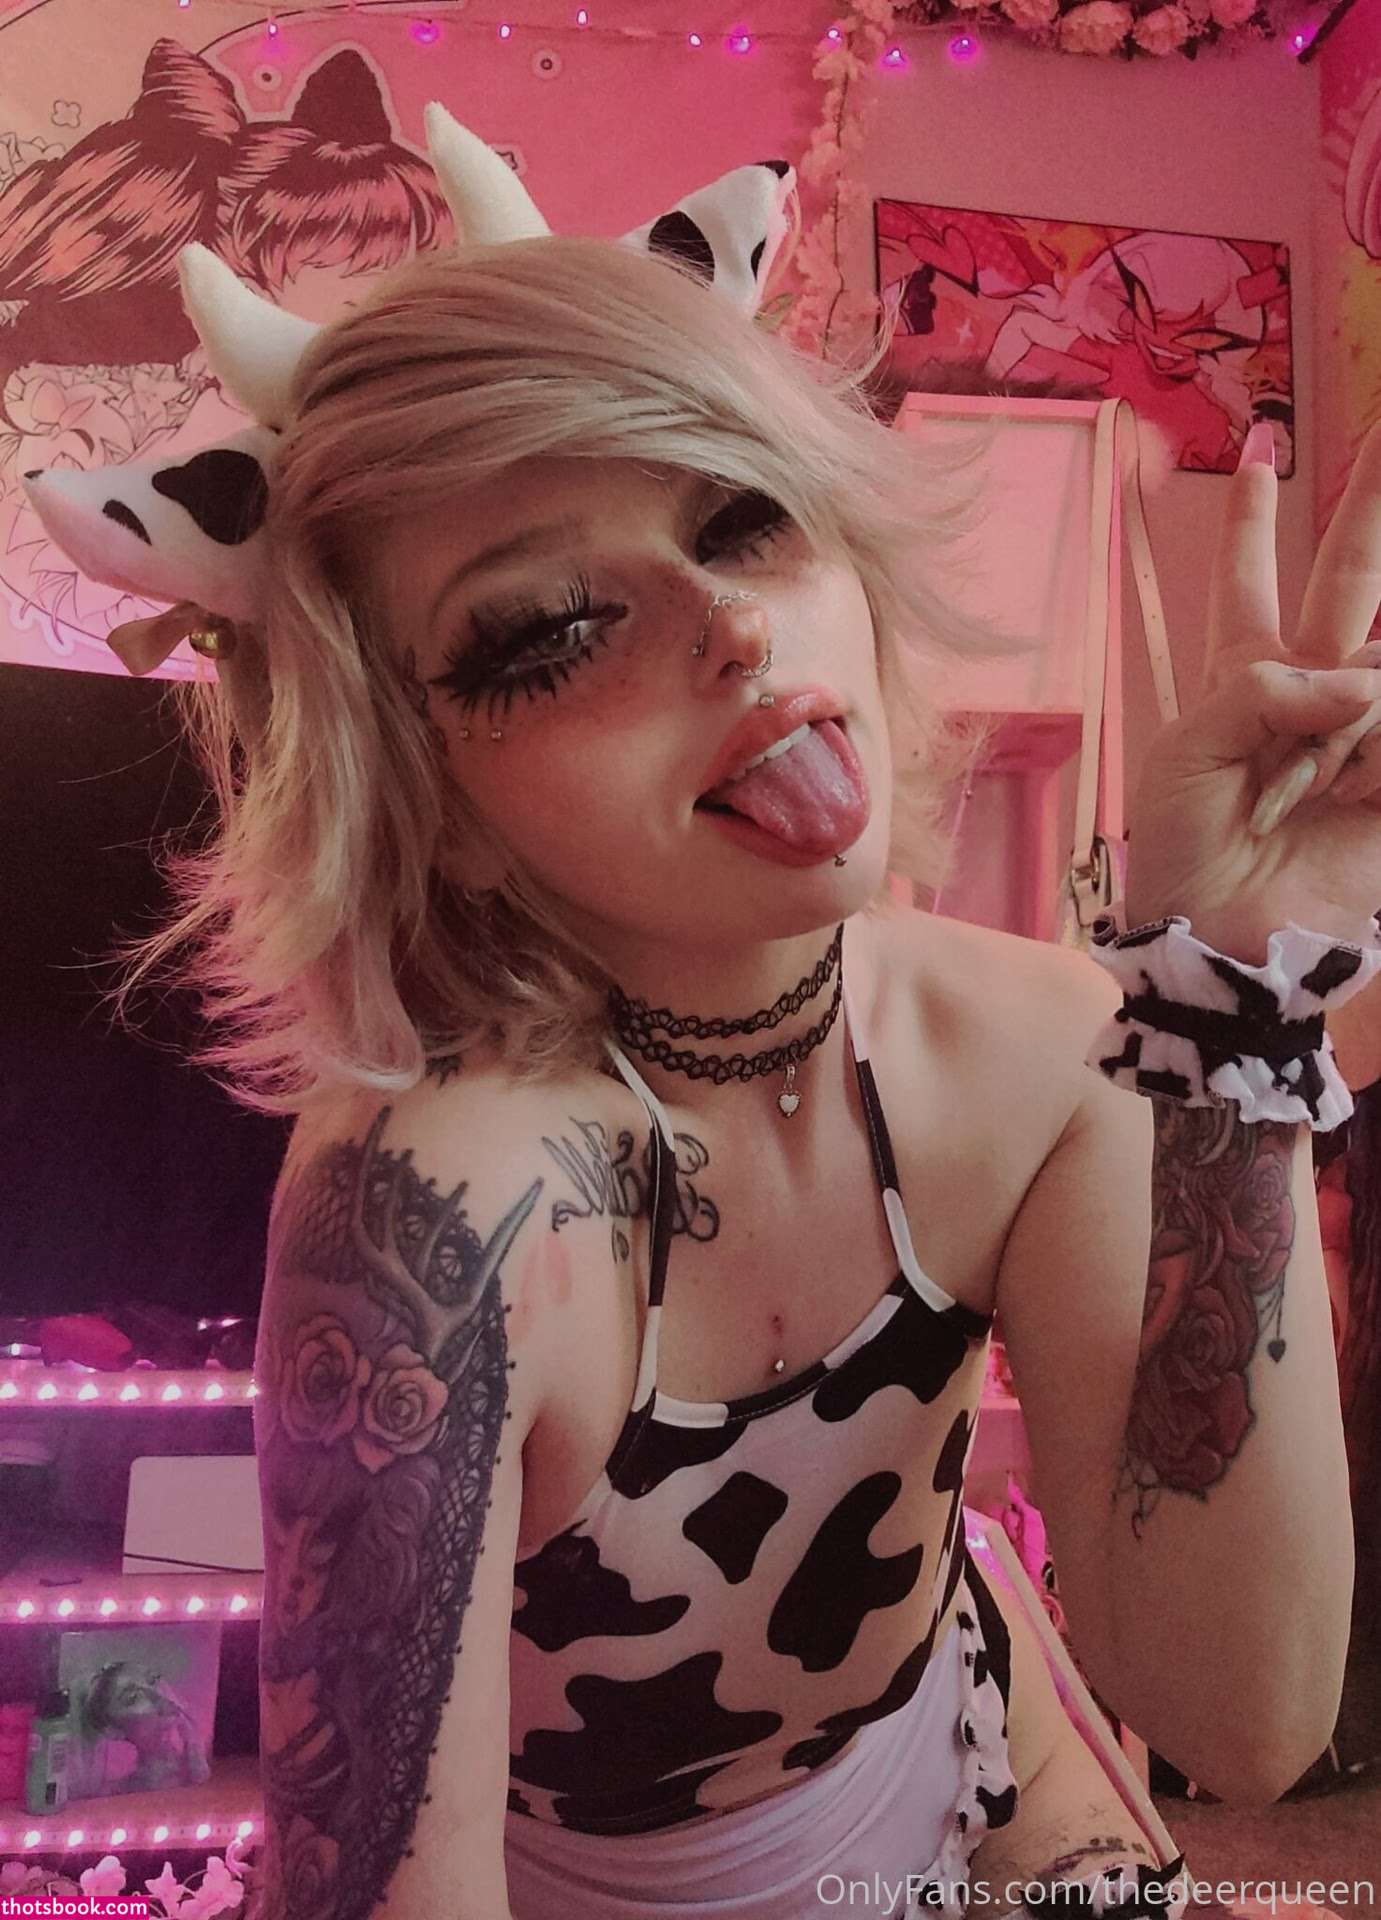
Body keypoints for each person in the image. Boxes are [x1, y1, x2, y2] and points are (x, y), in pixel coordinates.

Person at [24, 106, 1381, 1920]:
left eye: (743, 518)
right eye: (548, 630)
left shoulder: (1038, 1047)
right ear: (424, 798)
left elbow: (1242, 1715)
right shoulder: (439, 1205)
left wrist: (1238, 1017)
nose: (730, 628)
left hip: (963, 1751)